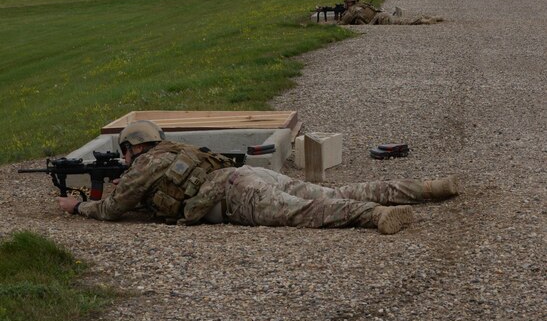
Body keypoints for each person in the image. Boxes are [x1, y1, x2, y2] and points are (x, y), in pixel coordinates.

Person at [58, 121, 459, 235]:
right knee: (334, 188)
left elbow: (112, 210)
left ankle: (374, 216)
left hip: (236, 196)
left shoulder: (142, 168)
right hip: (246, 174)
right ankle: (425, 188)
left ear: (131, 150)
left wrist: (78, 206)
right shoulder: (173, 150)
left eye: (124, 154)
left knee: (307, 211)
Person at [339, 0, 442, 26]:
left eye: (346, 2)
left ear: (350, 2)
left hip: (381, 19)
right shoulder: (362, 5)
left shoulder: (352, 10)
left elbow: (343, 23)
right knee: (402, 19)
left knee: (402, 22)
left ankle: (425, 21)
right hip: (381, 15)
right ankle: (430, 17)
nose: (346, 4)